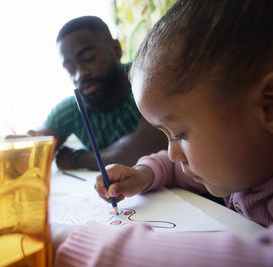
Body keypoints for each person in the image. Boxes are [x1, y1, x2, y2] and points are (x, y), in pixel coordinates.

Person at [51, 1, 273, 266]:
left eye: (179, 134)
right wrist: (143, 175)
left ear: (268, 108)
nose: (172, 151)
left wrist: (71, 240)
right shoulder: (234, 167)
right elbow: (171, 166)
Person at [17, 16, 167, 170]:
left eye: (89, 58)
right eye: (70, 68)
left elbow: (142, 150)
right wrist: (23, 145)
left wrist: (77, 159)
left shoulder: (147, 80)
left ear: (116, 49)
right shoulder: (72, 108)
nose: (79, 74)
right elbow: (38, 144)